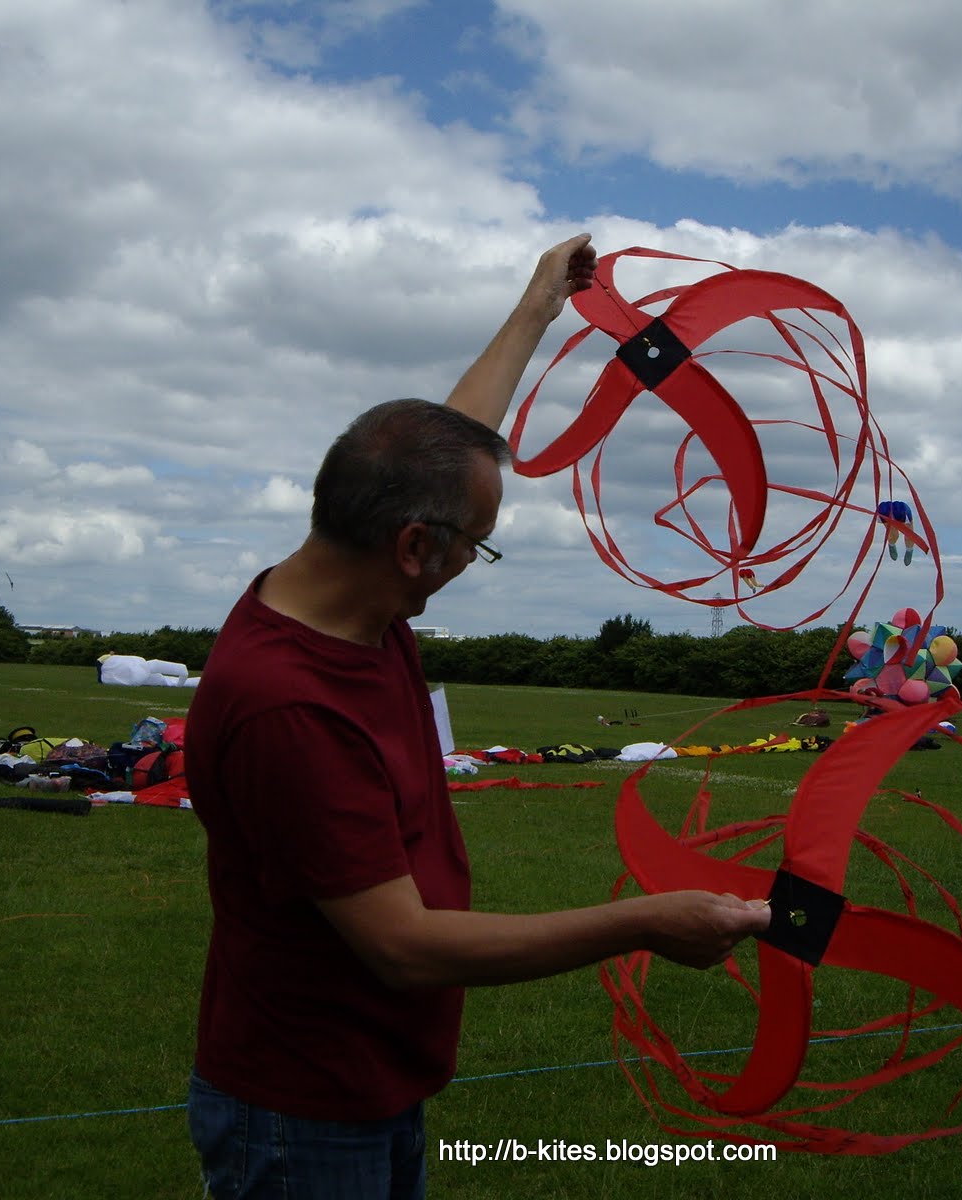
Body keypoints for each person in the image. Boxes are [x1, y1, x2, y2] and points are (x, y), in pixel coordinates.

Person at [182, 234, 771, 1199]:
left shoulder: (356, 590)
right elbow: (404, 947)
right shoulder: (292, 707)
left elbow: (447, 442)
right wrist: (642, 922)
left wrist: (540, 303)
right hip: (301, 1113)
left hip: (363, 1082)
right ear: (414, 544)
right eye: (474, 549)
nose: (466, 569)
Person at [876, 498, 915, 563]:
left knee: (908, 536)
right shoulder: (883, 511)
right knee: (894, 535)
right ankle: (892, 545)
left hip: (901, 511)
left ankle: (909, 550)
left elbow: (910, 536)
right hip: (885, 511)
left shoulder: (903, 512)